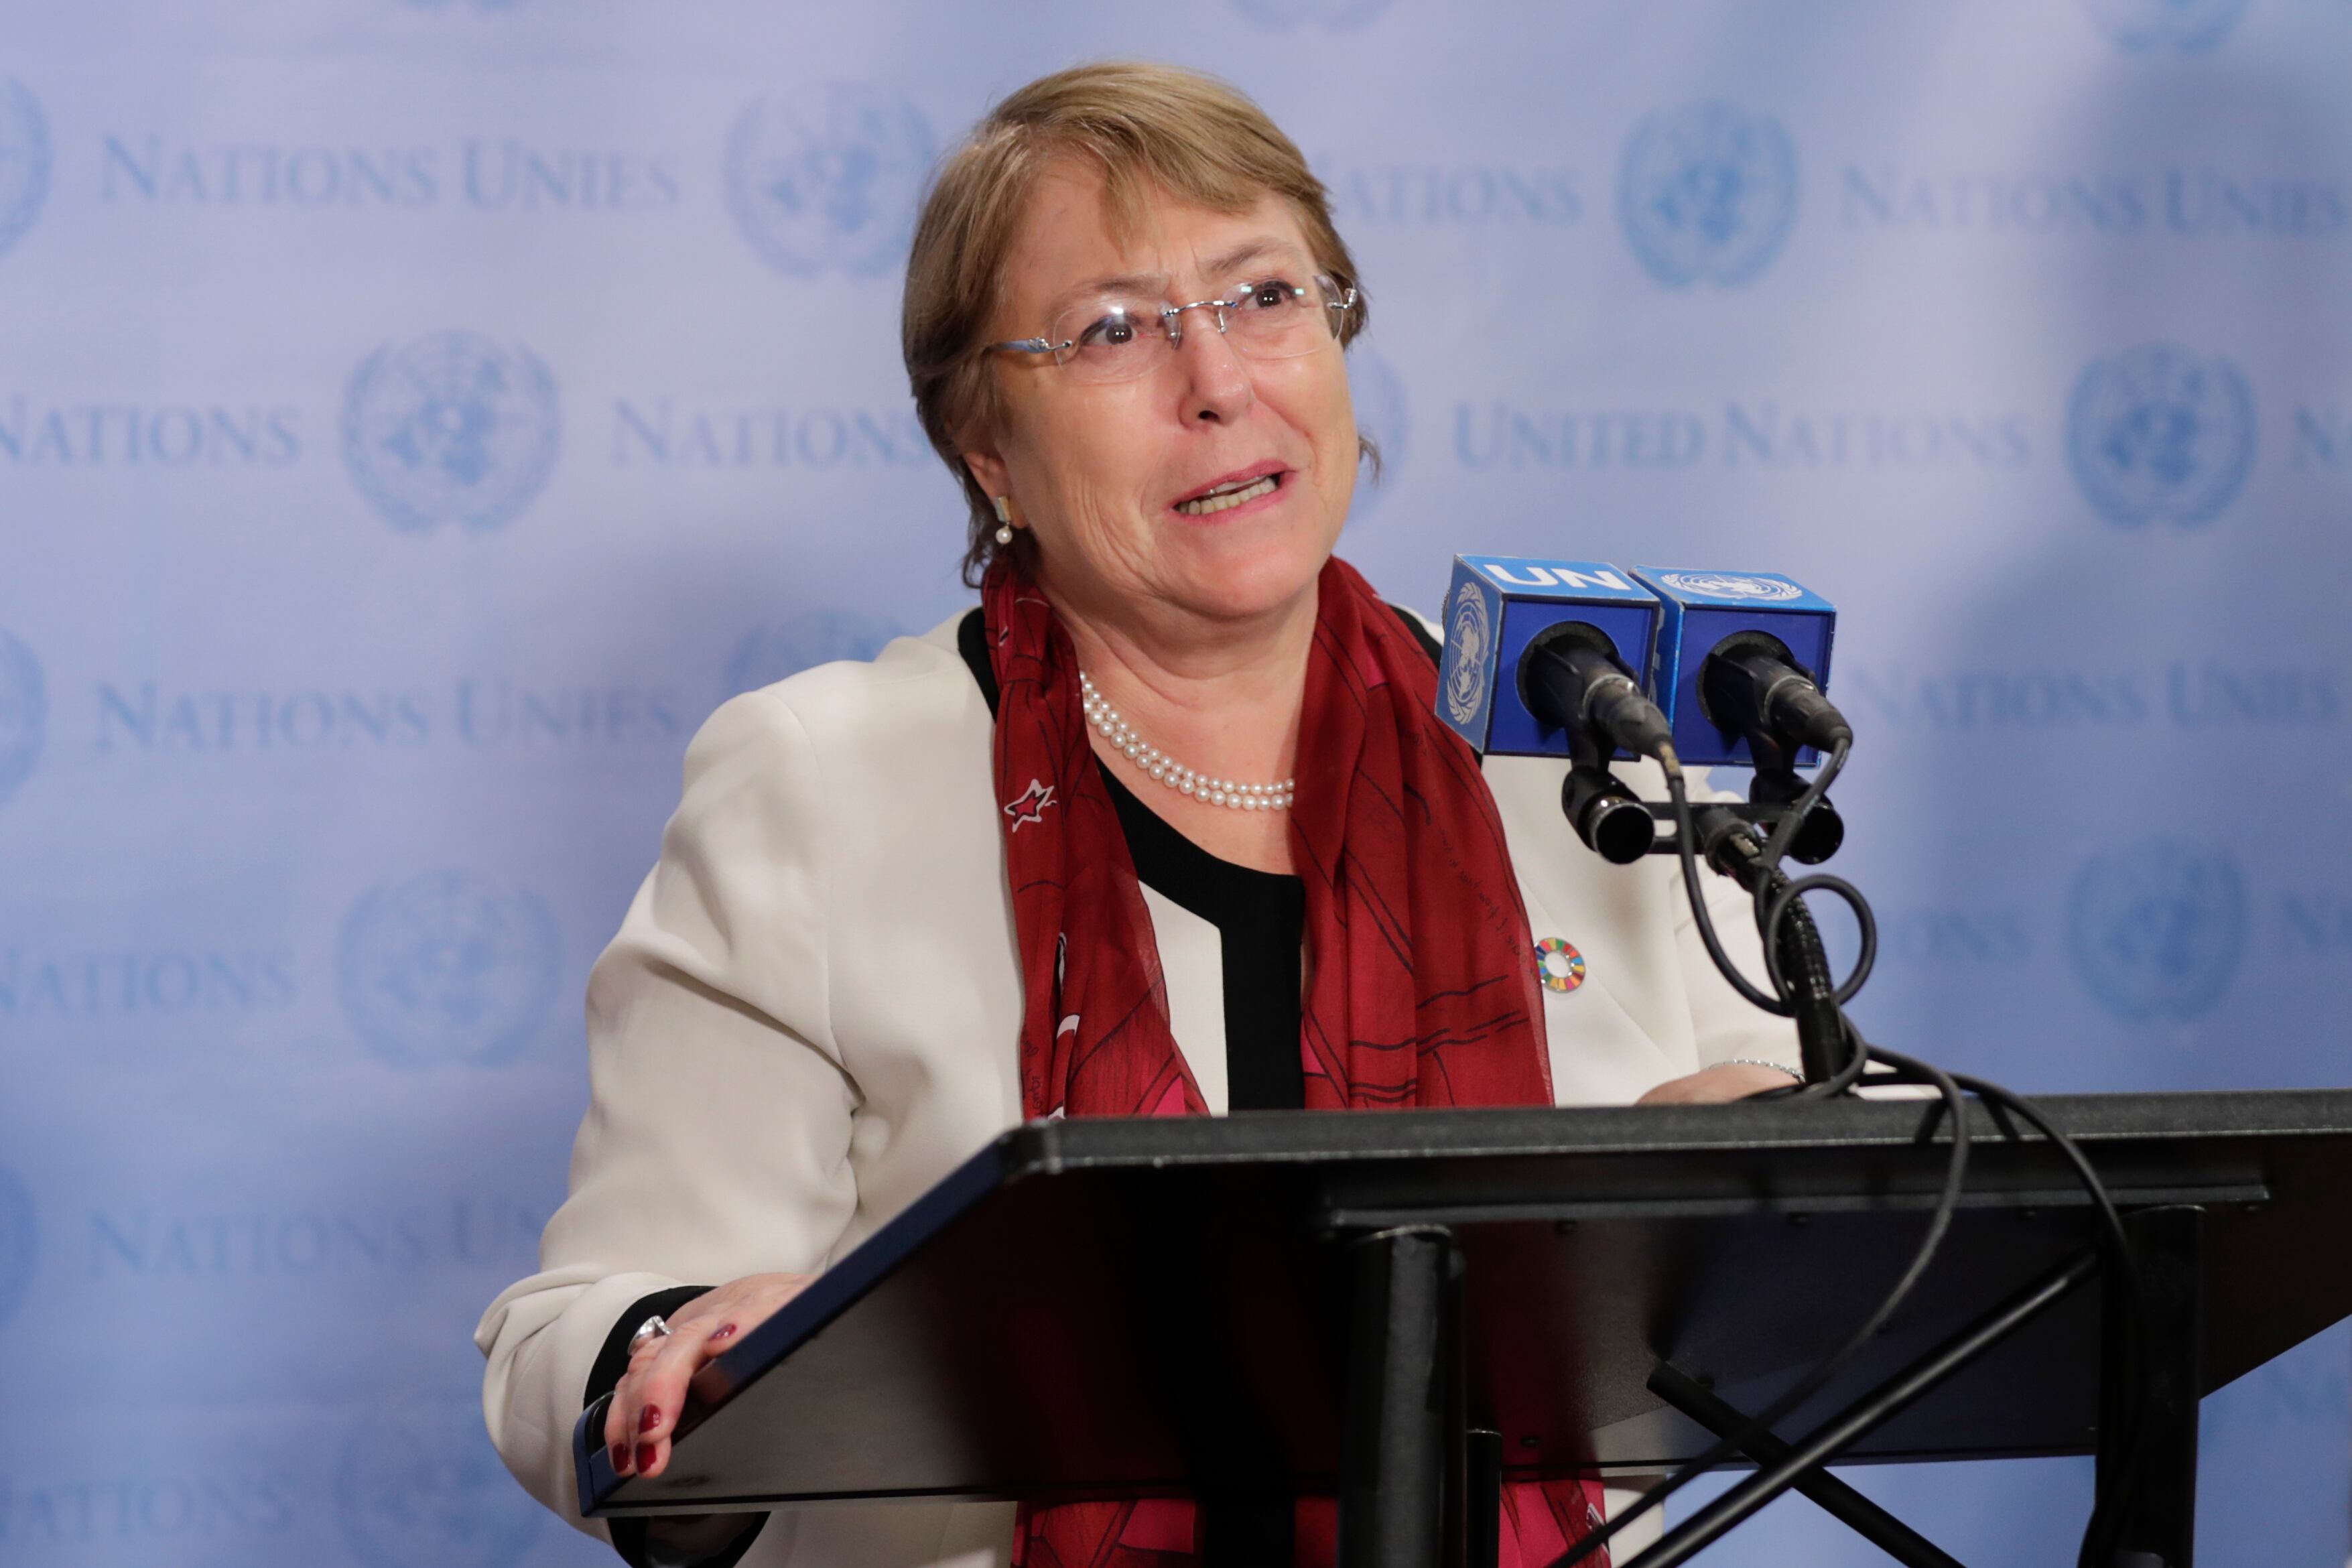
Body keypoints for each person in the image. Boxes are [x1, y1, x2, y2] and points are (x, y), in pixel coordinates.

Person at [476, 60, 1800, 1568]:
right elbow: (568, 1345)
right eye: (1114, 331)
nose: (1218, 381)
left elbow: (1869, 1260)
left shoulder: (1587, 760)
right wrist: (700, 1347)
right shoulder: (821, 783)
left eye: (1263, 298)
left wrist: (1762, 1179)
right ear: (989, 452)